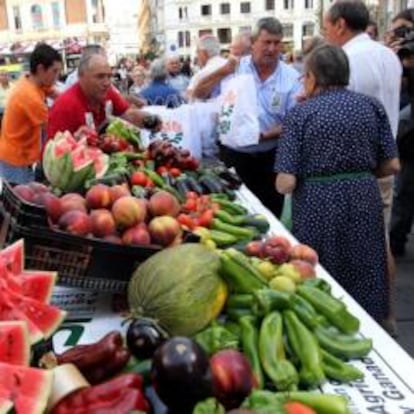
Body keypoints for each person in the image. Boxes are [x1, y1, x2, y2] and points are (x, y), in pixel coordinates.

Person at [275, 44, 400, 322]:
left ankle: (325, 322)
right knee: (366, 262)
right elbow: (392, 164)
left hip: (317, 202)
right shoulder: (371, 106)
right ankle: (372, 325)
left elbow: (285, 182)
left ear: (312, 77)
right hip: (363, 196)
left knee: (321, 267)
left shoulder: (300, 114)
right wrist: (359, 173)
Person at [323, 0, 402, 334]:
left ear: (340, 24)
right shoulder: (389, 55)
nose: (326, 33)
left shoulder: (348, 60)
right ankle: (386, 312)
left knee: (353, 247)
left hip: (354, 169)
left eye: (327, 26)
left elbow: (342, 114)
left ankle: (360, 316)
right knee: (380, 239)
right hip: (384, 162)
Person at [192, 17, 302, 217]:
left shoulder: (291, 77)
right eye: (266, 42)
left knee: (270, 215)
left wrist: (265, 135)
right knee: (234, 213)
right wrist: (222, 71)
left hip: (270, 158)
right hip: (234, 157)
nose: (271, 48)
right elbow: (199, 93)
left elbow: (295, 121)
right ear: (253, 43)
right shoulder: (234, 68)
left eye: (277, 43)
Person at [48, 53, 161, 139]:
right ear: (81, 76)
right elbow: (52, 154)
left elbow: (129, 114)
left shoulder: (107, 92)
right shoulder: (64, 107)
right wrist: (75, 141)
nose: (107, 82)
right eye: (100, 76)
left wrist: (151, 120)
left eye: (109, 76)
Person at [0, 44, 62, 184]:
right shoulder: (29, 96)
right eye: (54, 71)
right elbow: (53, 128)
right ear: (40, 69)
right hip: (15, 160)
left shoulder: (33, 81)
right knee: (21, 200)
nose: (57, 76)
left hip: (23, 156)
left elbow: (58, 95)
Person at [186, 34, 228, 100]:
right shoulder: (234, 66)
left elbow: (191, 99)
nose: (197, 55)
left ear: (203, 52)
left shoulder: (201, 74)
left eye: (197, 52)